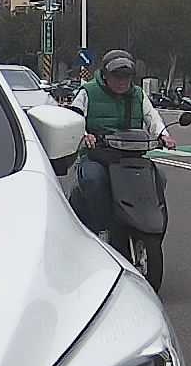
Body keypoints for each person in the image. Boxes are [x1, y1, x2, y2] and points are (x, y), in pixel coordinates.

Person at [65, 49, 175, 234]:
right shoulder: (88, 92)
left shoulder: (138, 94)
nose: (122, 81)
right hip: (97, 156)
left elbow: (152, 117)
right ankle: (99, 226)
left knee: (159, 178)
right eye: (117, 76)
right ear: (105, 75)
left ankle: (144, 220)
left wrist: (163, 135)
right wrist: (85, 135)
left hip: (130, 155)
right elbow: (74, 118)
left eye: (126, 76)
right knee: (94, 179)